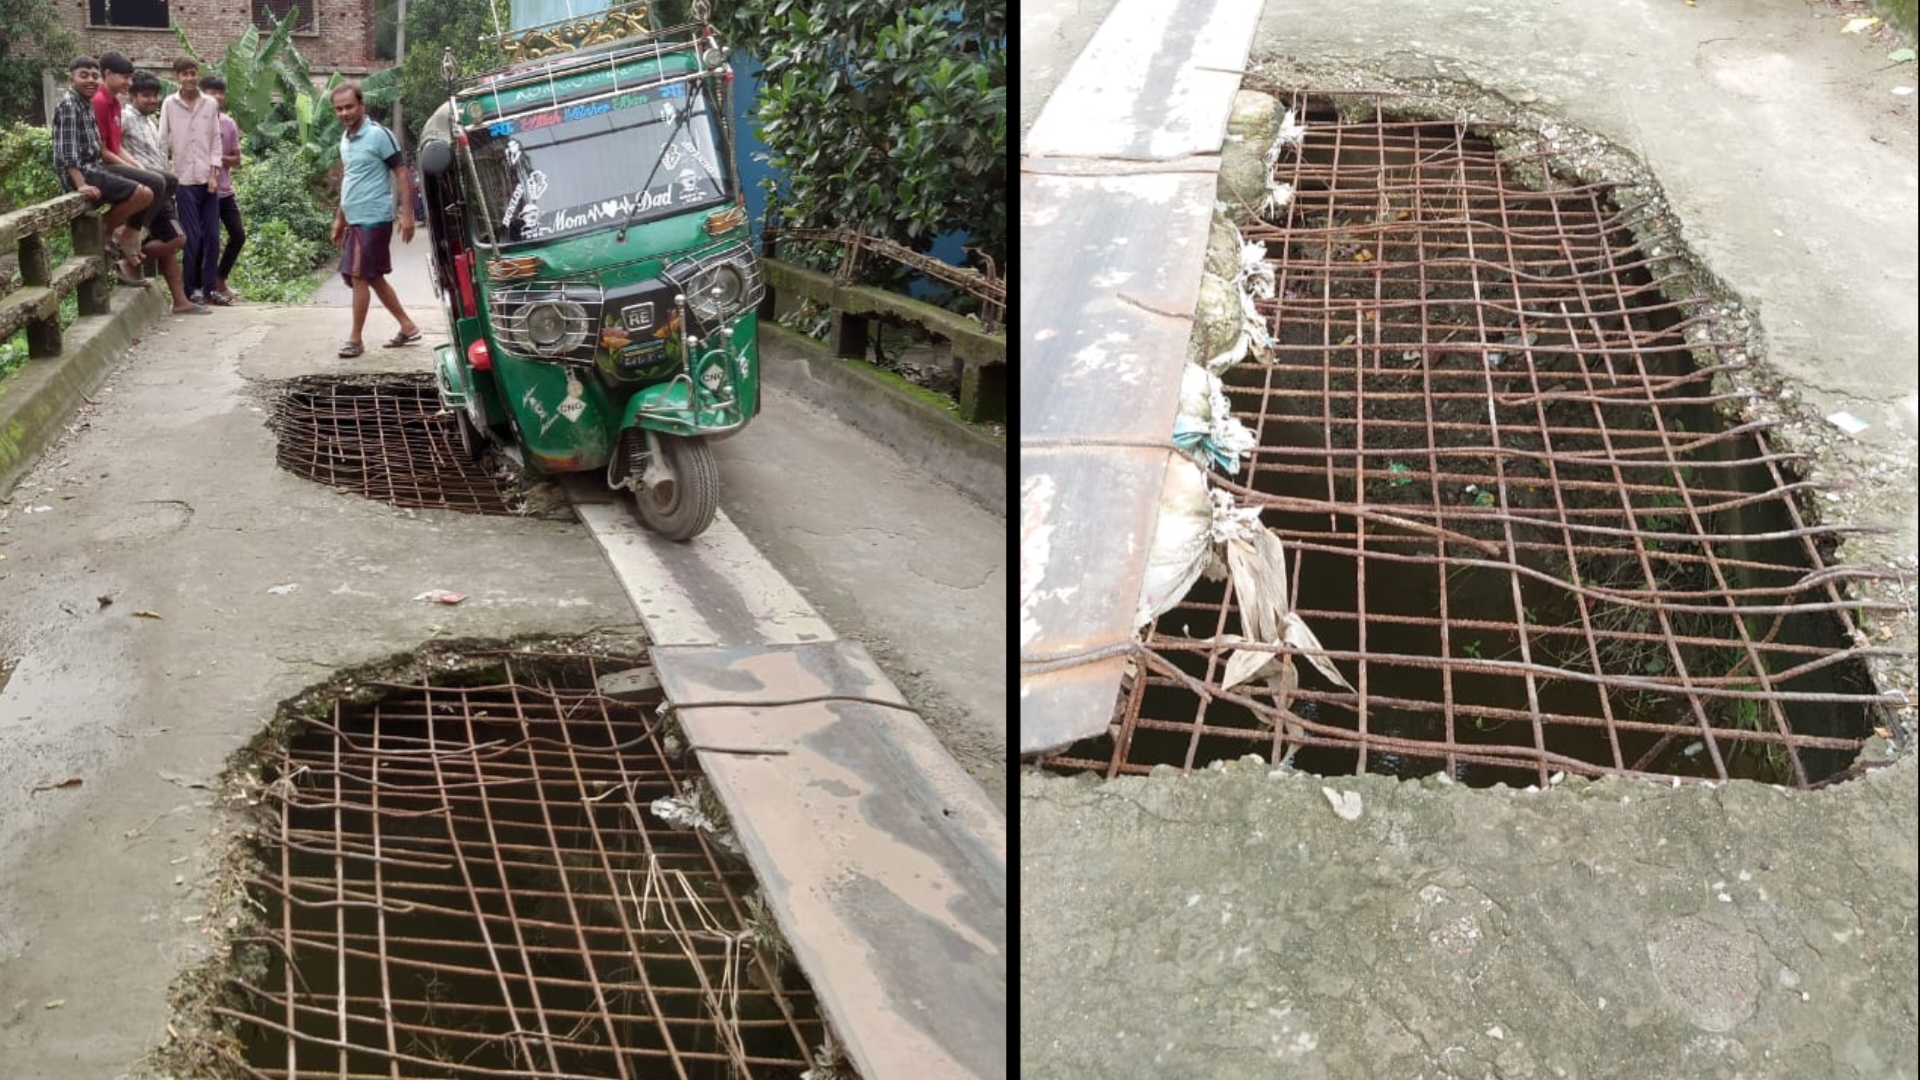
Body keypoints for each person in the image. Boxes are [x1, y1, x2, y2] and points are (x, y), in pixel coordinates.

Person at [329, 82, 421, 358]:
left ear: (361, 105)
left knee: (359, 275)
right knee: (371, 276)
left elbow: (402, 173)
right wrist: (339, 219)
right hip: (354, 219)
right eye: (339, 109)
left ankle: (355, 339)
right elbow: (350, 180)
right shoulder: (345, 140)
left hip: (375, 218)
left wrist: (407, 213)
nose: (344, 113)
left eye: (349, 107)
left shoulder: (379, 135)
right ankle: (407, 325)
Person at [50, 56, 157, 282]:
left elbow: (99, 146)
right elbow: (66, 152)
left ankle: (108, 230)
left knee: (148, 189)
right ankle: (107, 231)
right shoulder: (69, 105)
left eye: (93, 76)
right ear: (71, 78)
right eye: (83, 75)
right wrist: (80, 184)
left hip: (96, 168)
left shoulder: (85, 102)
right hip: (83, 174)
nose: (90, 80)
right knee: (143, 192)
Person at [120, 71, 209, 315]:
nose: (152, 100)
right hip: (147, 188)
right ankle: (128, 261)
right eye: (145, 96)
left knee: (171, 243)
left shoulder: (147, 120)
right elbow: (113, 148)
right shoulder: (125, 117)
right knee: (177, 239)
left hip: (162, 188)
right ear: (132, 95)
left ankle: (180, 301)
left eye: (154, 96)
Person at [90, 51, 173, 288]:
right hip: (101, 165)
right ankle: (114, 229)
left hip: (114, 159)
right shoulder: (99, 102)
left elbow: (117, 147)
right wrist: (136, 169)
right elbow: (103, 150)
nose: (128, 82)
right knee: (155, 183)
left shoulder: (114, 102)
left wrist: (137, 166)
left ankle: (132, 231)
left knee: (168, 180)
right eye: (125, 78)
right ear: (108, 74)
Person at [158, 56, 223, 306]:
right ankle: (190, 289)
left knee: (213, 237)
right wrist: (166, 176)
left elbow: (215, 139)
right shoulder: (169, 104)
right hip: (183, 181)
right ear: (177, 77)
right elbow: (162, 141)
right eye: (184, 74)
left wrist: (214, 174)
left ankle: (209, 289)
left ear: (198, 74)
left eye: (193, 73)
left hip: (208, 180)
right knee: (192, 237)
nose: (189, 78)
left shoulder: (209, 104)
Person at [200, 74, 245, 306]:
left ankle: (219, 279)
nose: (217, 96)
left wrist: (216, 158)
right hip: (203, 191)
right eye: (211, 92)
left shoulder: (228, 123)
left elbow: (237, 159)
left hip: (225, 190)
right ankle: (203, 287)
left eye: (220, 92)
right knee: (208, 240)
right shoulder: (195, 122)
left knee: (238, 235)